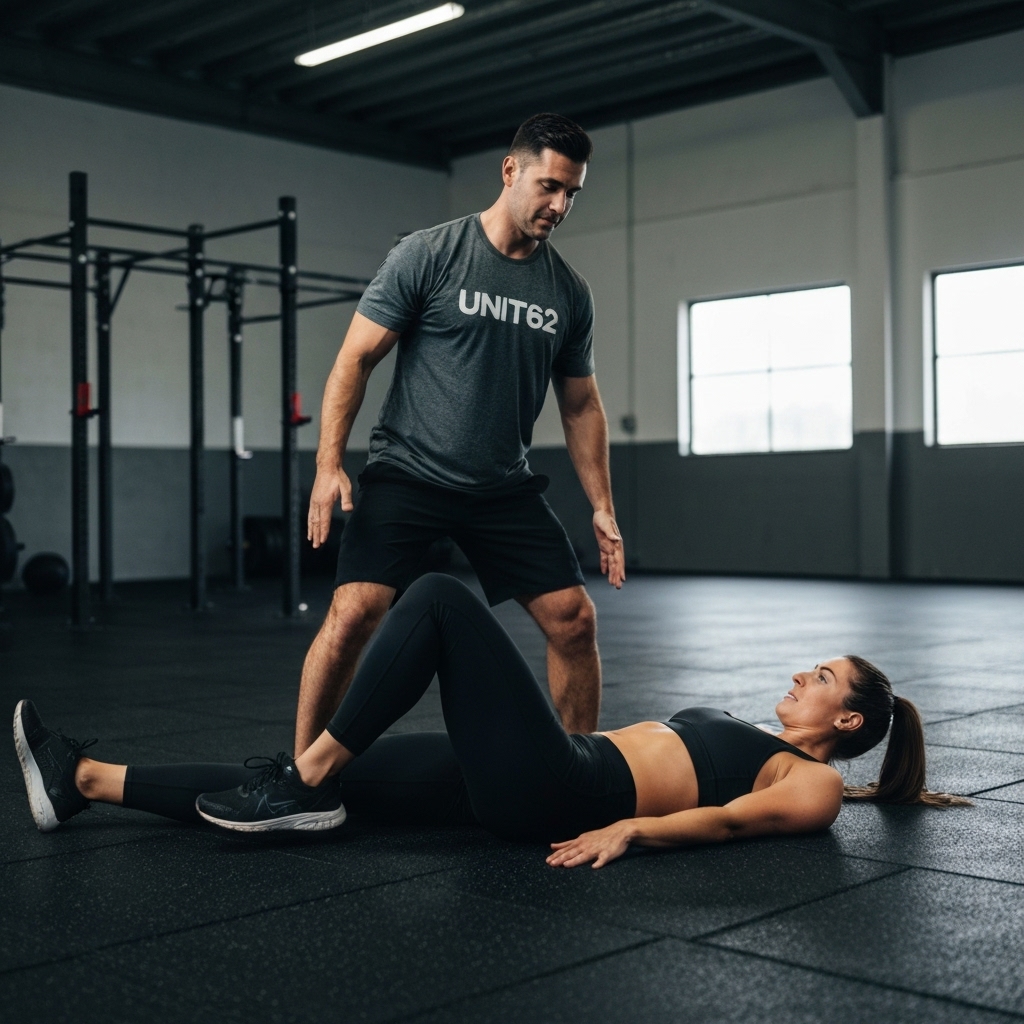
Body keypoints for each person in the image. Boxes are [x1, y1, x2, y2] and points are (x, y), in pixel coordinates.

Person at [14, 575, 968, 867]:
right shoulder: (748, 728)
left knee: (436, 602)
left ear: (846, 719)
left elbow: (729, 823)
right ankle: (86, 783)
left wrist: (632, 829)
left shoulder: (809, 785)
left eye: (822, 676)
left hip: (565, 789)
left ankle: (306, 780)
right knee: (291, 777)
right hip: (553, 766)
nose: (803, 673)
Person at [296, 112, 623, 750]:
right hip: (409, 472)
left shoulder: (568, 293)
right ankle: (299, 777)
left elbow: (581, 404)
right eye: (550, 186)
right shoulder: (429, 253)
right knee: (353, 614)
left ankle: (581, 773)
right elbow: (355, 359)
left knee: (574, 621)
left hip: (502, 485)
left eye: (572, 194)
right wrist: (327, 464)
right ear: (510, 170)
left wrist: (603, 505)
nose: (560, 205)